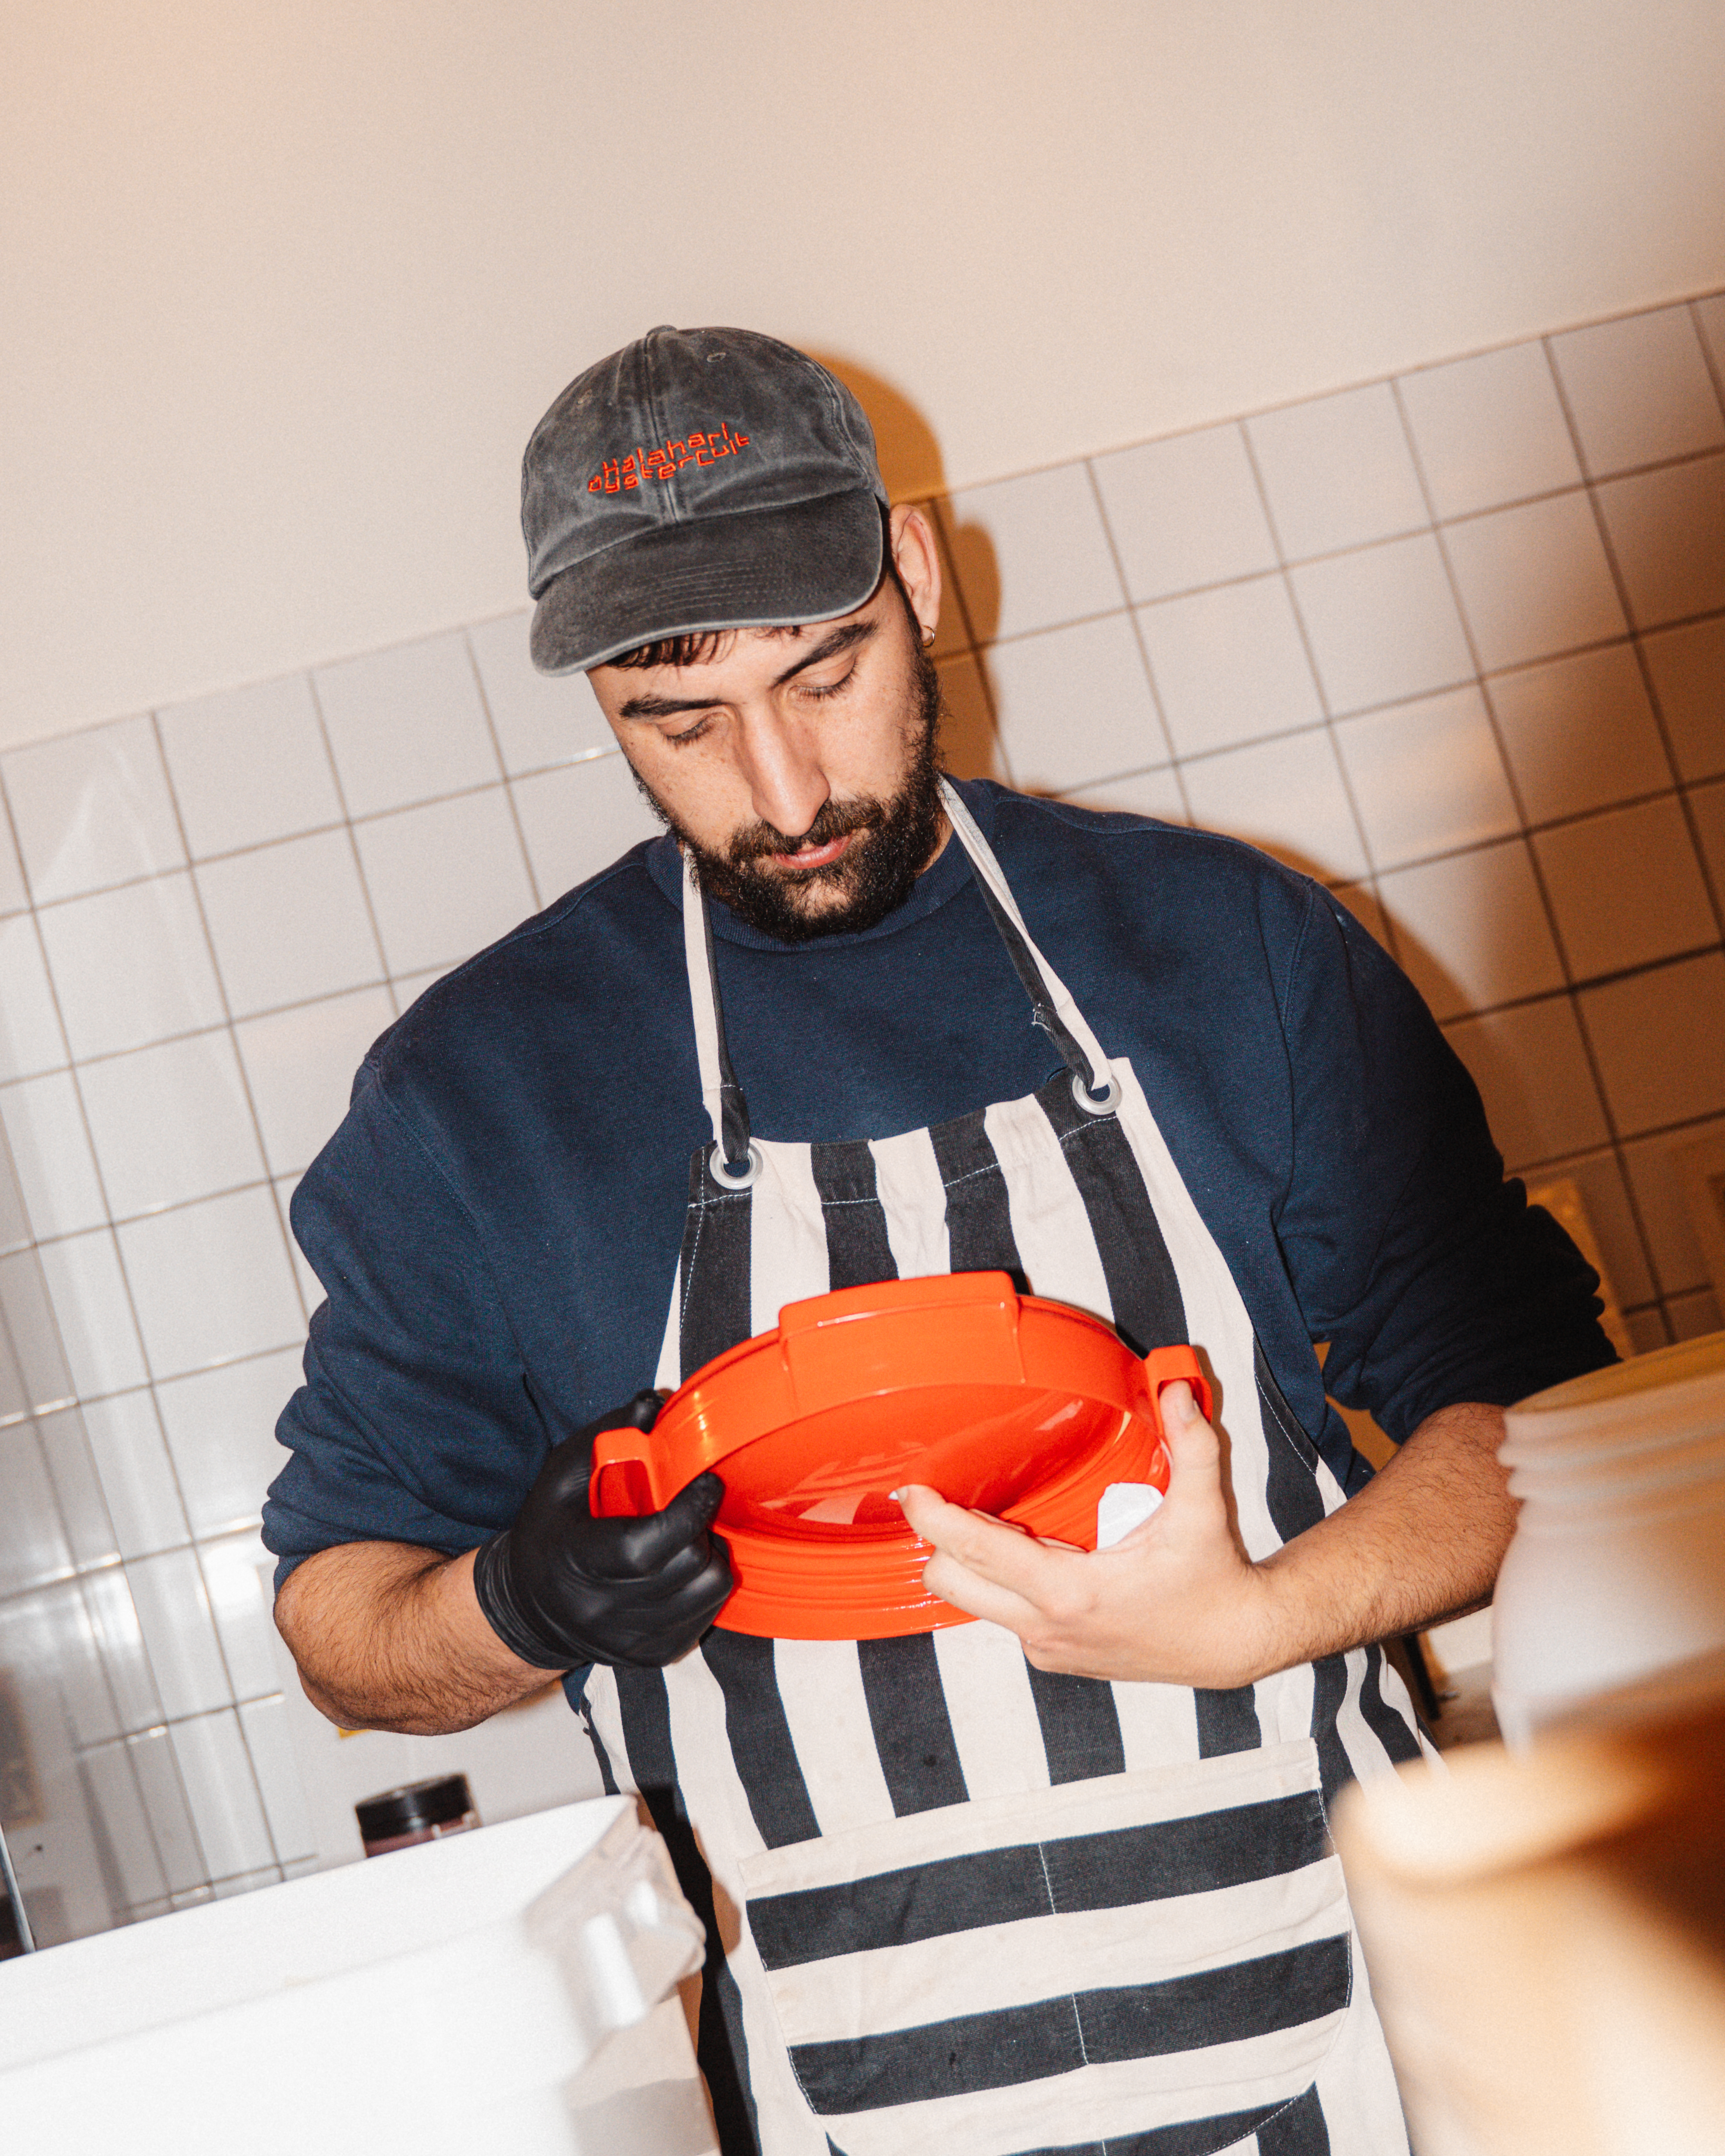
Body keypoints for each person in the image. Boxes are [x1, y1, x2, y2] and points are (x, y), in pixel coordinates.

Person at [266, 325, 1614, 2156]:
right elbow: (341, 1625)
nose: (786, 784)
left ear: (915, 570)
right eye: (680, 722)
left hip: (1378, 2053)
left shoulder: (1229, 954)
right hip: (857, 2110)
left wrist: (1261, 1616)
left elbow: (1538, 1431)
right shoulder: (478, 1099)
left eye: (824, 672)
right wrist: (519, 1602)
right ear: (596, 693)